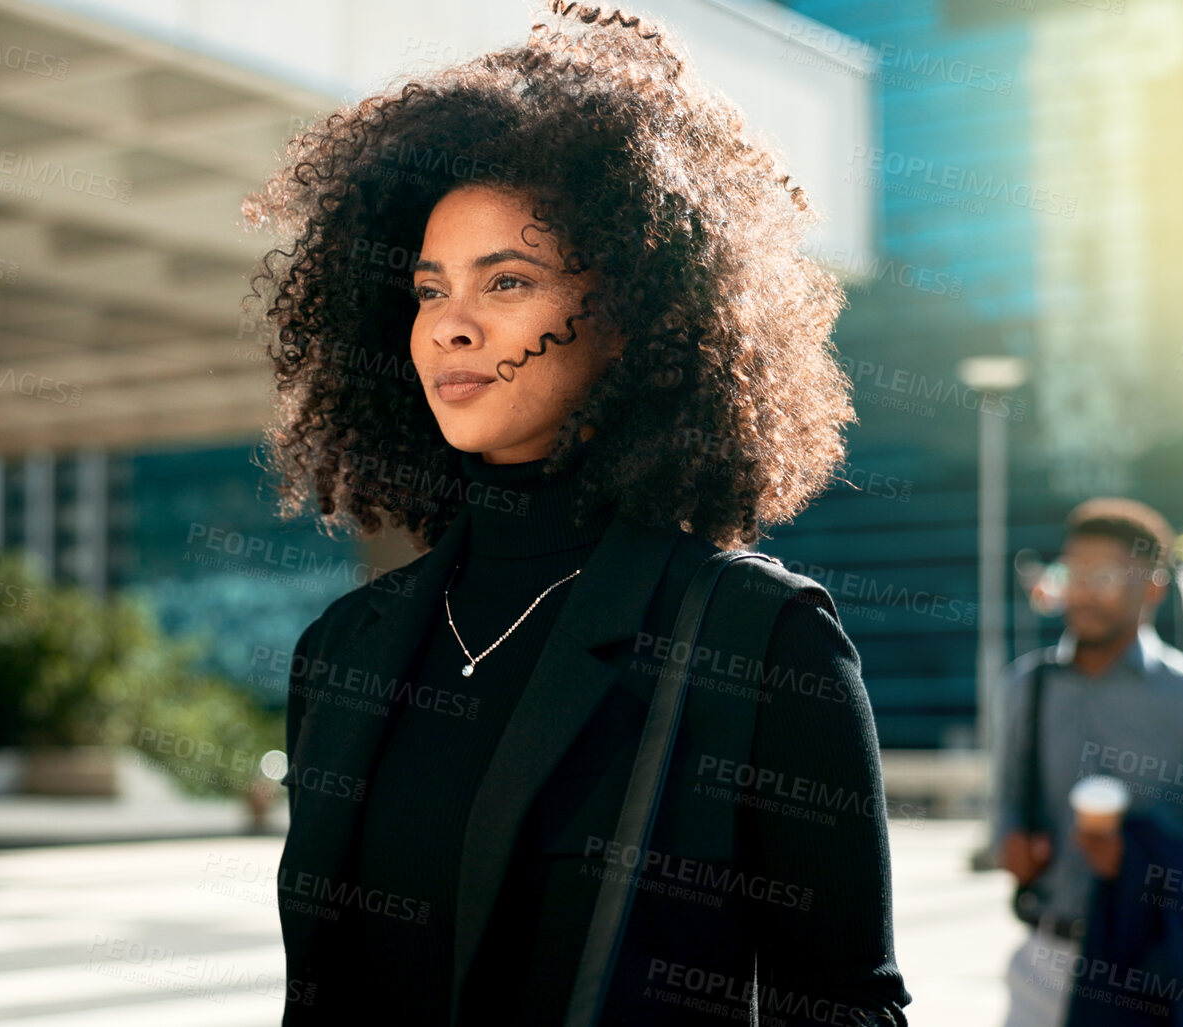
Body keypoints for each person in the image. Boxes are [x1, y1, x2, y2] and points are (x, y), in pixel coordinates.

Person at [240, 4, 908, 1024]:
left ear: (639, 317)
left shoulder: (756, 636)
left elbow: (846, 1007)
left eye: (508, 281)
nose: (452, 325)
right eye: (429, 290)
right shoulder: (343, 646)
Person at [991, 498, 1183, 1026]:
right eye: (1069, 574)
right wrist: (1010, 845)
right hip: (1041, 963)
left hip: (1149, 973)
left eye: (1100, 576)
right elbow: (1007, 806)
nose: (1079, 591)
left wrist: (1139, 862)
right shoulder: (1023, 687)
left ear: (1152, 585)